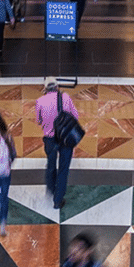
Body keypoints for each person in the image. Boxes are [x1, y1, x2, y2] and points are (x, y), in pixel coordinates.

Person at [35, 77, 79, 209]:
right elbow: (75, 116)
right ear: (57, 87)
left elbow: (38, 120)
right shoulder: (66, 98)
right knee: (64, 169)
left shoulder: (40, 101)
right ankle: (58, 200)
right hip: (65, 137)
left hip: (50, 139)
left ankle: (51, 189)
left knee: (51, 164)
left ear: (45, 88)